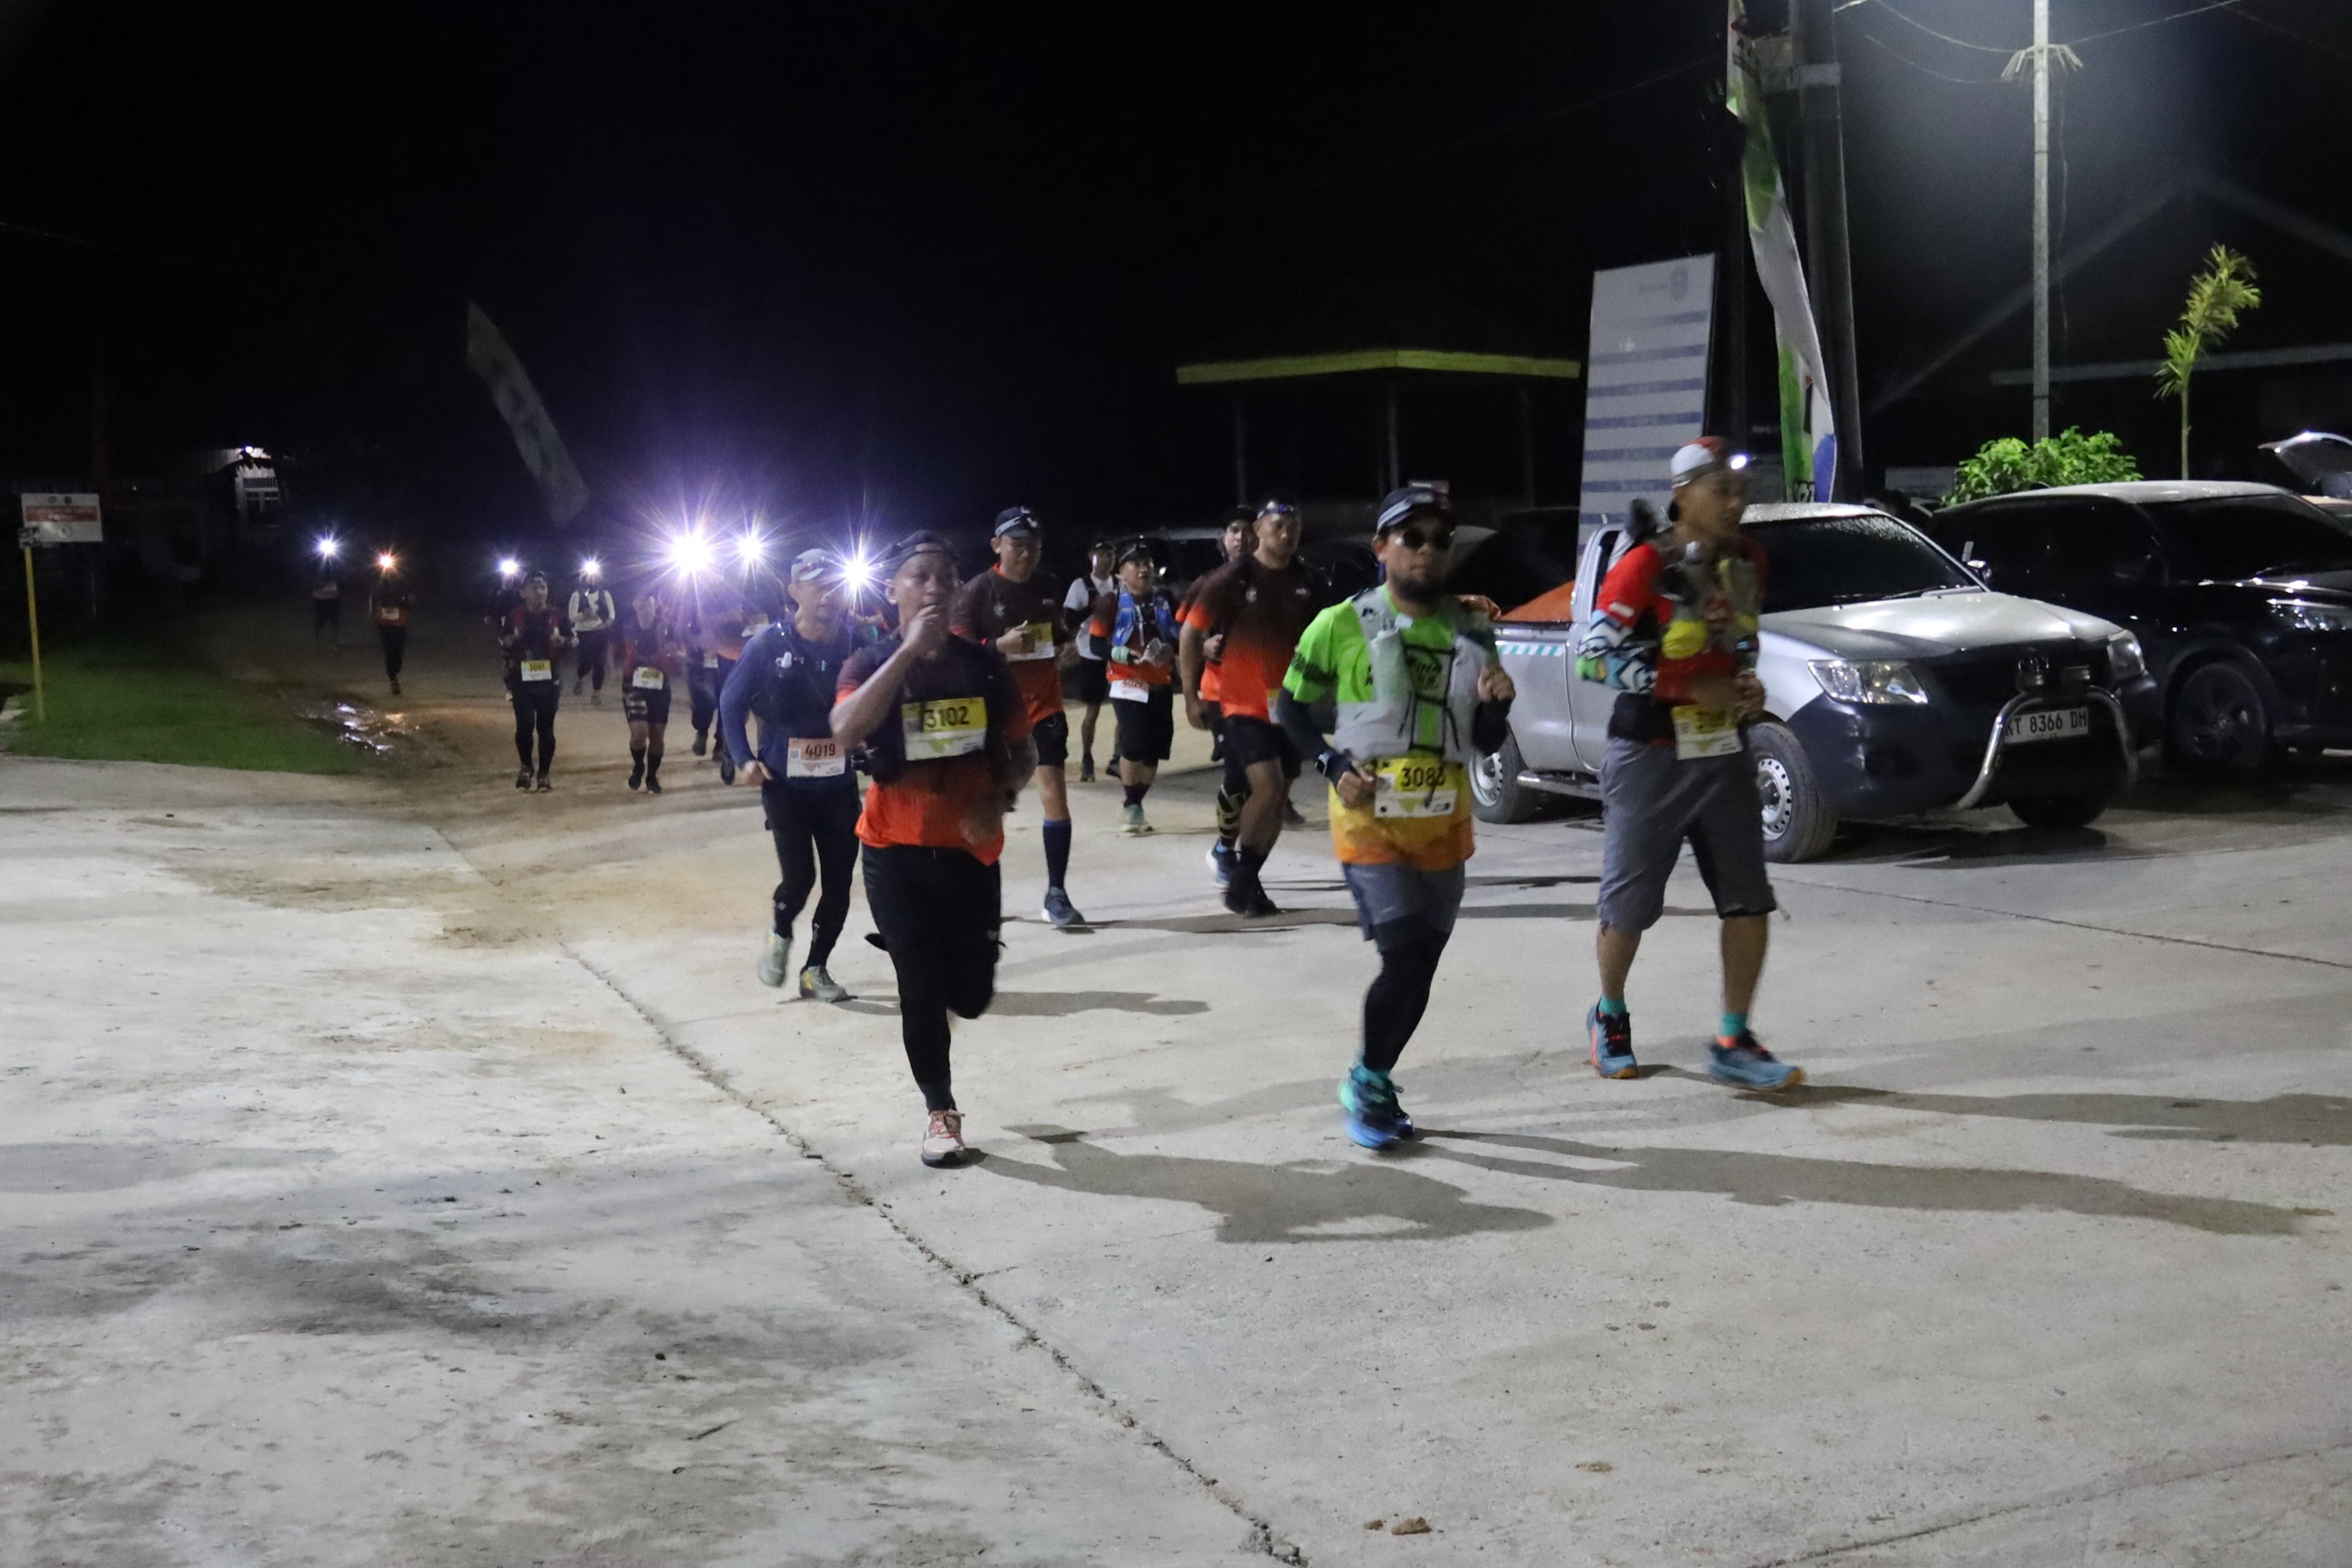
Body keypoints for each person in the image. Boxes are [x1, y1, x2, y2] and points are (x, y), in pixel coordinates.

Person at [1277, 485, 1515, 1149]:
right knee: (1404, 954)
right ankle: (1368, 1083)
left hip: (1445, 824)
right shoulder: (1339, 623)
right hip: (1368, 821)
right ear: (1382, 547)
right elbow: (1290, 707)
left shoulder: (1473, 627)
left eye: (1441, 540)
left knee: (1420, 967)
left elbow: (1486, 739)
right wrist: (1329, 763)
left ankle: (1374, 1076)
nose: (1428, 550)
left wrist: (1498, 704)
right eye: (1413, 537)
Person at [1573, 437, 1801, 1090]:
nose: (1735, 503)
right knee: (1629, 907)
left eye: (1741, 491)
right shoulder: (1645, 564)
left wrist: (1746, 683)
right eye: (1720, 491)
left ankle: (1734, 1036)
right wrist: (1682, 686)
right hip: (1648, 756)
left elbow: (1741, 642)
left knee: (1748, 899)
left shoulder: (1749, 560)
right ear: (1682, 496)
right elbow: (1592, 658)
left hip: (1724, 752)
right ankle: (1609, 1014)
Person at [831, 532, 1036, 1168]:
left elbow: (1024, 751)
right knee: (919, 988)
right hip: (894, 851)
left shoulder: (985, 667)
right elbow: (845, 730)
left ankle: (940, 969)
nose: (935, 587)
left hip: (971, 852)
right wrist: (906, 655)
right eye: (919, 576)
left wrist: (999, 796)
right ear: (891, 588)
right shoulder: (868, 662)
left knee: (970, 997)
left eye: (946, 576)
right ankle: (940, 1112)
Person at [723, 549, 866, 1002]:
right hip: (785, 787)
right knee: (800, 879)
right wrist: (744, 758)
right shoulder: (768, 644)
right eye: (818, 585)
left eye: (835, 585)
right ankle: (780, 931)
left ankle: (815, 968)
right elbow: (731, 701)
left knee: (839, 882)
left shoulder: (857, 641)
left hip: (839, 786)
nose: (829, 594)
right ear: (794, 591)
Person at [1179, 495, 1317, 917]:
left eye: (1294, 526)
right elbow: (1189, 634)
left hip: (1289, 706)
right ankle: (1238, 874)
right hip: (1239, 705)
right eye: (1278, 525)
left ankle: (1248, 879)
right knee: (1267, 786)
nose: (1287, 533)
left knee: (1278, 795)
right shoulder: (1232, 578)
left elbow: (1324, 637)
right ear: (1260, 530)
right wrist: (1191, 696)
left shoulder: (1308, 579)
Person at [951, 506, 1085, 930]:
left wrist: (1068, 649)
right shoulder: (977, 591)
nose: (1027, 553)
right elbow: (957, 655)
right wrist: (998, 646)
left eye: (1034, 545)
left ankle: (1057, 893)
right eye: (1018, 545)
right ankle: (974, 893)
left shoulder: (1049, 585)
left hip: (1044, 707)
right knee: (982, 804)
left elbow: (1058, 636)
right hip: (992, 714)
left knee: (1054, 795)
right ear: (997, 545)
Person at [1179, 506, 1256, 885]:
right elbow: (1185, 635)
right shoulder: (1208, 584)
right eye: (1234, 530)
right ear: (1223, 539)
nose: (1241, 537)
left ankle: (1249, 849)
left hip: (1265, 693)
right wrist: (1190, 696)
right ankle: (1224, 849)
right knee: (1239, 772)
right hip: (1220, 693)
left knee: (1273, 776)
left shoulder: (1277, 580)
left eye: (1248, 530)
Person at [1088, 542, 1180, 834]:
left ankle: (1136, 801)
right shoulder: (1110, 603)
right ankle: (1131, 803)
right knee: (1135, 743)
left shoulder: (1165, 599)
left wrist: (1171, 649)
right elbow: (1095, 643)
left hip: (1160, 683)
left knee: (1155, 751)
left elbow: (1181, 635)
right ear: (1121, 573)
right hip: (1126, 682)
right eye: (1135, 564)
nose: (1143, 569)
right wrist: (1117, 653)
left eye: (1147, 564)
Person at [499, 570, 571, 792]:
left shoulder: (558, 616)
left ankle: (544, 774)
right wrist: (510, 641)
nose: (540, 592)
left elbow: (574, 642)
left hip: (549, 679)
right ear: (523, 593)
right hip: (521, 679)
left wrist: (563, 641)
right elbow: (503, 643)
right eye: (534, 588)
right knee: (525, 725)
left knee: (546, 728)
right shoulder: (514, 617)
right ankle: (526, 767)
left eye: (543, 587)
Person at [616, 584, 683, 795]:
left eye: (649, 603)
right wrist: (617, 666)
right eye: (641, 603)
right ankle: (638, 766)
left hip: (660, 685)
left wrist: (675, 654)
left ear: (656, 605)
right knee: (639, 733)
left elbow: (681, 652)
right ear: (635, 605)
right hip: (633, 685)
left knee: (657, 735)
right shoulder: (626, 628)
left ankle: (652, 776)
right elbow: (614, 653)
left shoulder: (667, 628)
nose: (645, 607)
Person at [1063, 540, 1119, 783]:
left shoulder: (1120, 584)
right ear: (1091, 557)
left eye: (1110, 555)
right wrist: (1093, 608)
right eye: (1101, 554)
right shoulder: (1081, 585)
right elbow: (1069, 620)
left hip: (1117, 652)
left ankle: (1117, 758)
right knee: (1093, 710)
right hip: (1090, 652)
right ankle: (1087, 757)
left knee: (1123, 708)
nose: (1106, 559)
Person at [569, 568, 617, 704]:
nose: (592, 580)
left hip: (601, 632)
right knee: (586, 662)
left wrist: (608, 623)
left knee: (600, 663)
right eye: (588, 577)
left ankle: (596, 693)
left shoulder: (605, 594)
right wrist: (583, 615)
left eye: (594, 576)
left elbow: (612, 614)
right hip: (584, 633)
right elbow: (572, 617)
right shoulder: (577, 595)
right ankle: (580, 679)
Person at [368, 559, 414, 696]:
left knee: (398, 651)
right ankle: (393, 678)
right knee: (389, 650)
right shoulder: (378, 583)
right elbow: (374, 599)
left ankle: (395, 673)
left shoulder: (404, 583)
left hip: (400, 622)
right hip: (385, 623)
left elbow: (411, 601)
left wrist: (403, 602)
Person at [310, 562, 342, 643]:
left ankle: (334, 641)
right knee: (322, 619)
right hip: (320, 598)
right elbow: (312, 579)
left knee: (334, 620)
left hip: (332, 597)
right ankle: (317, 636)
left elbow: (341, 578)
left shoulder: (336, 565)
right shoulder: (316, 565)